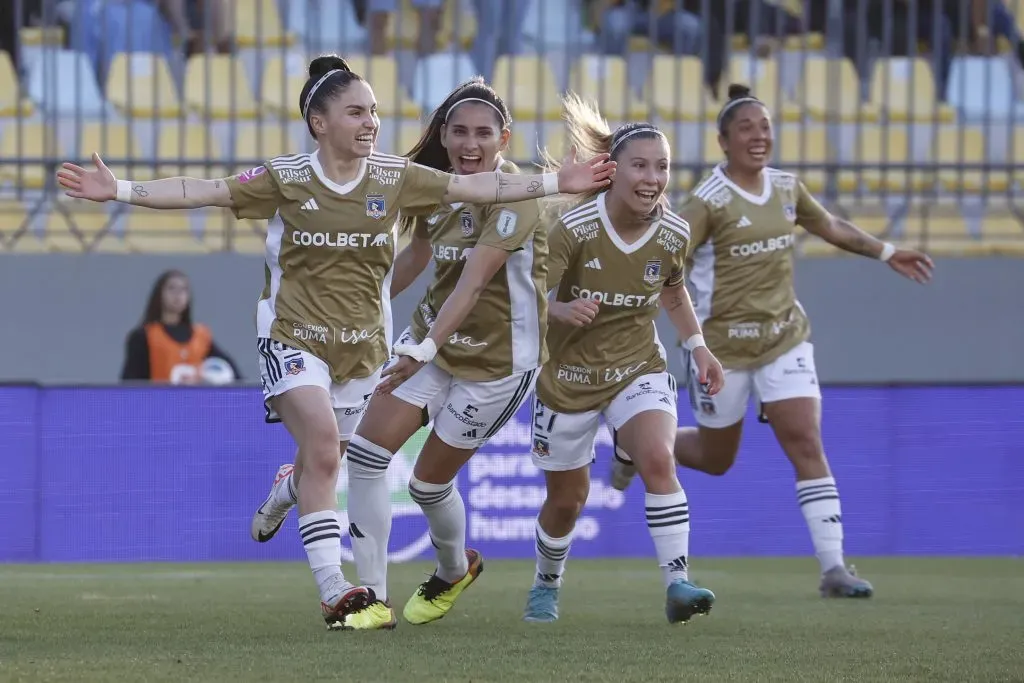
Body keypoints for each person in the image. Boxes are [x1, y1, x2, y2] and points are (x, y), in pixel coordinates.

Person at [56, 54, 615, 629]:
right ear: (319, 123)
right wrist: (118, 188)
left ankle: (302, 492)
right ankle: (346, 593)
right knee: (336, 449)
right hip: (293, 336)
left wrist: (556, 181)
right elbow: (203, 190)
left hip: (381, 352)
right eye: (356, 111)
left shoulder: (397, 179)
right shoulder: (288, 178)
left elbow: (477, 193)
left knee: (355, 465)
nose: (371, 121)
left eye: (373, 111)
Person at [611, 84, 934, 599]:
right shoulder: (708, 202)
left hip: (786, 338)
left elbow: (828, 225)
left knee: (805, 441)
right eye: (747, 128)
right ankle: (633, 444)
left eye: (765, 127)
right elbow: (669, 254)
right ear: (723, 141)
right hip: (724, 350)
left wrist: (886, 250)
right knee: (718, 459)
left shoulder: (786, 187)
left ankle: (834, 569)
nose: (759, 136)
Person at [251, 77, 549, 631]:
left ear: (503, 139)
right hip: (430, 347)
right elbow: (414, 257)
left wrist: (424, 347)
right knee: (361, 456)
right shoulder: (439, 188)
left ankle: (454, 569)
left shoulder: (516, 196)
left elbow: (473, 285)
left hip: (498, 365)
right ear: (443, 134)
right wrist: (359, 309)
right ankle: (370, 601)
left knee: (427, 485)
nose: (469, 143)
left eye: (483, 133)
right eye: (457, 131)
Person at [521, 93, 725, 625]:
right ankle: (546, 583)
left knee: (660, 459)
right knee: (567, 502)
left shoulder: (674, 233)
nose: (653, 177)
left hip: (638, 367)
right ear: (612, 172)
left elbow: (673, 293)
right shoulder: (573, 229)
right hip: (567, 380)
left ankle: (677, 582)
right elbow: (525, 296)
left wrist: (698, 346)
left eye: (662, 166)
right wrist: (559, 308)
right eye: (640, 164)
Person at [120, 268, 241, 384]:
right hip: (159, 403)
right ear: (159, 294)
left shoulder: (201, 336)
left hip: (194, 403)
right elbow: (130, 383)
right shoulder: (143, 336)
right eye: (171, 288)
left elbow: (233, 372)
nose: (177, 294)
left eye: (183, 289)